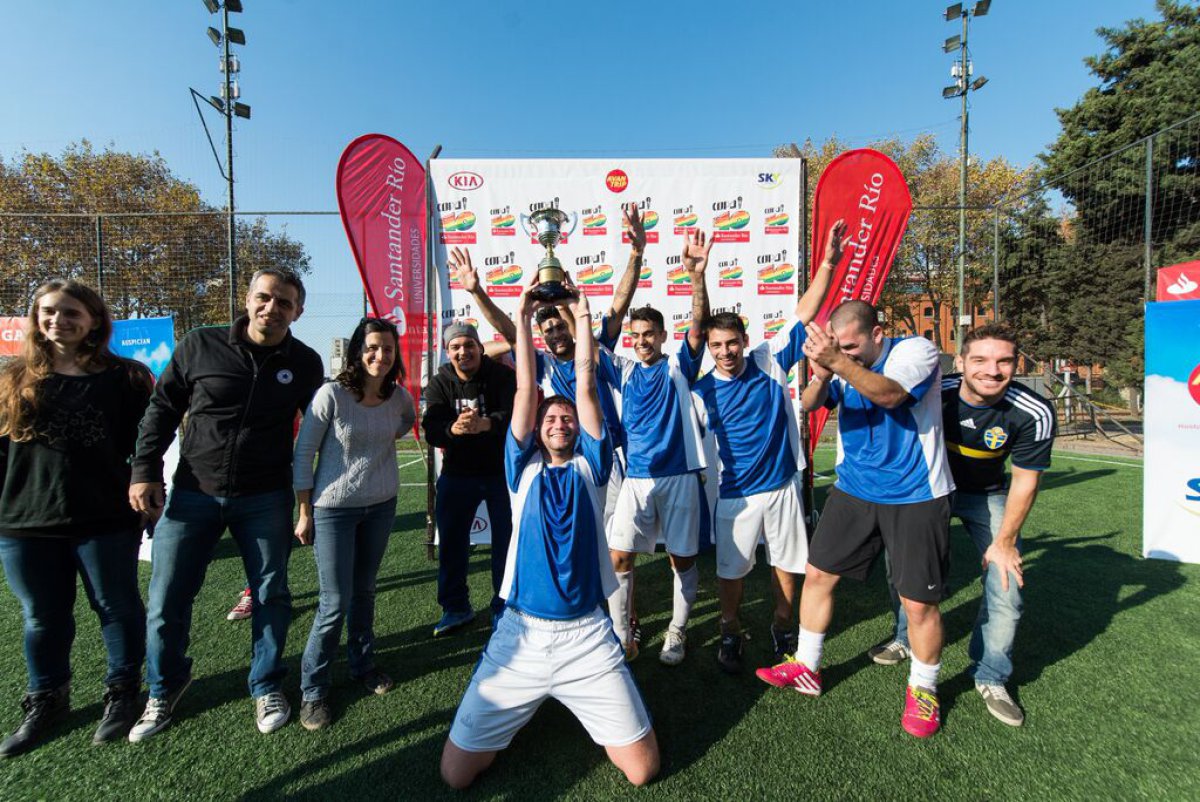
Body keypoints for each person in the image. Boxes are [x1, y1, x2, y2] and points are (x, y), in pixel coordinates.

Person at [440, 279, 658, 790]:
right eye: (550, 418)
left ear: (579, 431)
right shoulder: (522, 470)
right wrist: (519, 314)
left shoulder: (593, 468)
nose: (559, 422)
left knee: (643, 772)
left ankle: (567, 697)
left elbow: (583, 384)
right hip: (520, 636)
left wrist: (583, 316)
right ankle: (527, 701)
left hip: (587, 636)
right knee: (456, 776)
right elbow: (524, 388)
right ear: (537, 431)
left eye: (566, 420)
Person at [127, 268, 324, 741]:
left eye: (284, 303)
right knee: (166, 598)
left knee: (271, 595)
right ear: (248, 298)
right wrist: (144, 469)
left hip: (264, 497)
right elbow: (162, 408)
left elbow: (320, 428)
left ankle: (266, 682)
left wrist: (309, 501)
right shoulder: (201, 344)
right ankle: (165, 686)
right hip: (193, 492)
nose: (271, 308)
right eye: (264, 297)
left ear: (298, 311)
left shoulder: (305, 362)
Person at [756, 300, 954, 739]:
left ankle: (924, 689)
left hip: (915, 494)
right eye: (838, 346)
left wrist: (837, 362)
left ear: (878, 333)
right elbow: (807, 404)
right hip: (854, 490)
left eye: (852, 346)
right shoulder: (841, 362)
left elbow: (890, 395)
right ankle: (807, 666)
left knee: (918, 603)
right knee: (818, 574)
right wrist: (824, 371)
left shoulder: (913, 351)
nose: (846, 353)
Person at [453, 204, 646, 635]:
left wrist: (635, 255)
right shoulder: (539, 363)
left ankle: (624, 619)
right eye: (550, 331)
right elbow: (508, 332)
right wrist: (476, 292)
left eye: (562, 328)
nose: (558, 335)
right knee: (580, 544)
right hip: (561, 463)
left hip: (606, 459)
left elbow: (620, 301)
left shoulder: (596, 346)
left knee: (619, 549)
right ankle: (594, 612)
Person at [866, 323, 1054, 727]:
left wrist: (1004, 543)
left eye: (1004, 360)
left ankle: (991, 675)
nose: (993, 370)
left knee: (1006, 581)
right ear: (962, 362)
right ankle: (905, 637)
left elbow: (1025, 480)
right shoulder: (937, 392)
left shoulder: (1033, 411)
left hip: (985, 495)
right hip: (929, 491)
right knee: (904, 570)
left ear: (1016, 363)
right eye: (981, 360)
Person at [0, 280, 153, 756]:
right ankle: (47, 698)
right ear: (35, 318)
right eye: (48, 311)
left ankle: (122, 692)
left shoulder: (126, 376)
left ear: (93, 320)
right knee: (42, 616)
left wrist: (148, 491)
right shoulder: (11, 376)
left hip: (104, 517)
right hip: (24, 521)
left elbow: (147, 447)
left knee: (117, 608)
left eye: (71, 312)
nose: (58, 320)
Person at [690, 220, 845, 674]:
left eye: (732, 342)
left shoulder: (768, 359)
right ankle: (730, 628)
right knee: (731, 573)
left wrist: (830, 261)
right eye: (716, 345)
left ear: (744, 339)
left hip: (781, 486)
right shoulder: (700, 392)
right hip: (733, 495)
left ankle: (782, 625)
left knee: (787, 563)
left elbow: (807, 308)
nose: (725, 352)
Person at [292, 318, 416, 730]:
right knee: (334, 603)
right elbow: (304, 451)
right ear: (358, 350)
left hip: (381, 506)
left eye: (388, 349)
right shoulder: (331, 395)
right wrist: (305, 511)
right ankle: (313, 689)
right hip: (333, 511)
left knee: (364, 592)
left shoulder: (397, 397)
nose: (381, 356)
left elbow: (405, 422)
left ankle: (362, 666)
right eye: (372, 347)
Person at [604, 229, 711, 665]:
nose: (642, 340)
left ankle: (677, 630)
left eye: (650, 334)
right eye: (637, 334)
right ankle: (621, 632)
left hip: (680, 478)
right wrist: (635, 253)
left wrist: (696, 277)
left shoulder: (678, 367)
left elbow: (700, 326)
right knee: (619, 558)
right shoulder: (623, 370)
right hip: (634, 480)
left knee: (681, 562)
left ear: (664, 336)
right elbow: (610, 319)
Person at [423, 321, 516, 636]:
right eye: (455, 347)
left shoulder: (502, 376)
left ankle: (504, 605)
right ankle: (455, 608)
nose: (463, 352)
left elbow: (517, 416)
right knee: (452, 543)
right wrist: (453, 429)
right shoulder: (439, 383)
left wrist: (486, 425)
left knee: (507, 543)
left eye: (468, 345)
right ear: (448, 353)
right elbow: (432, 427)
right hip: (458, 474)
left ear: (480, 347)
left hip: (500, 472)